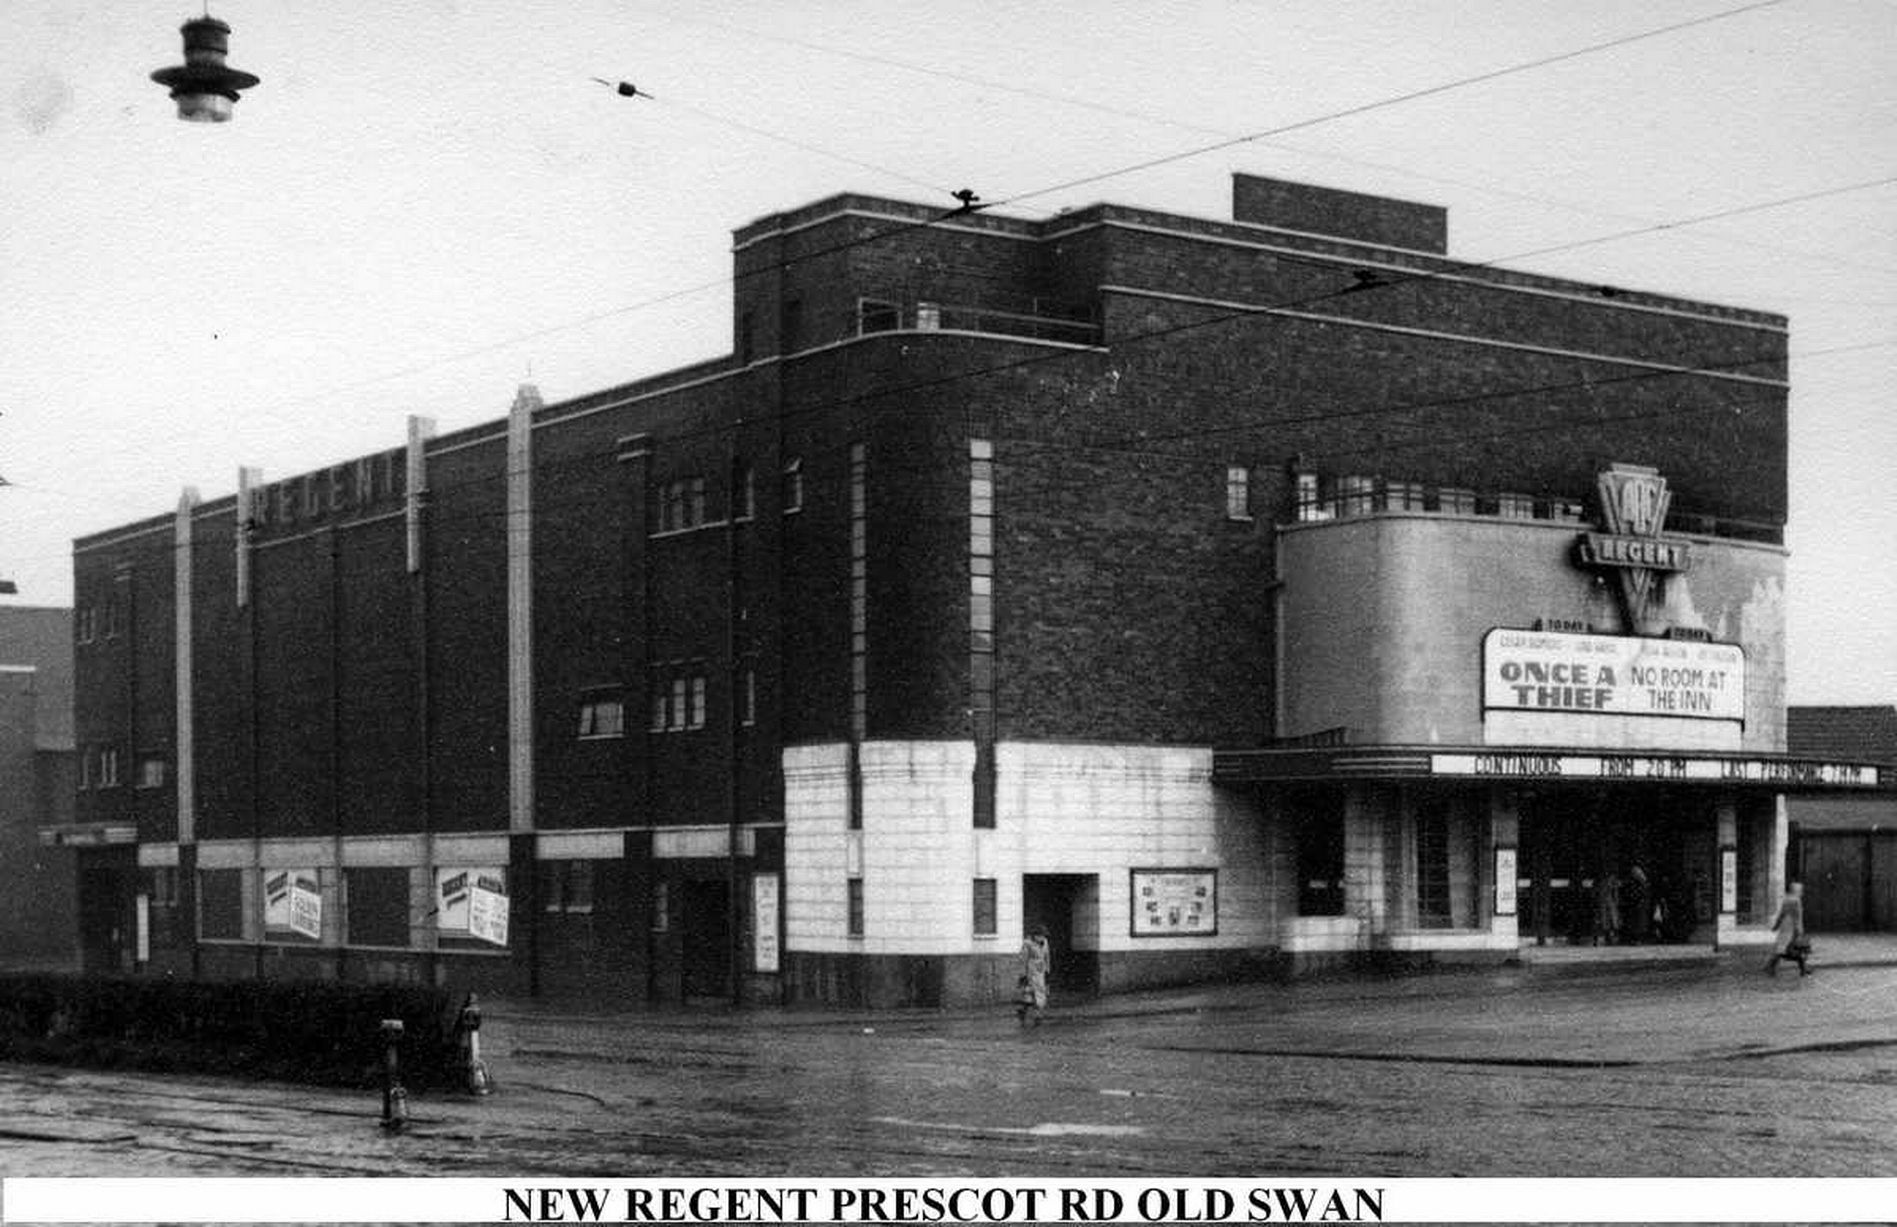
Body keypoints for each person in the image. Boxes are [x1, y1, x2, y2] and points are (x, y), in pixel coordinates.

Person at [1765, 881, 1810, 977]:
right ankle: (1803, 968)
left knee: (1782, 948)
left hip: (1785, 925)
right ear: (1796, 890)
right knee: (1796, 949)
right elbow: (1798, 917)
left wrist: (1776, 926)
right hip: (1792, 927)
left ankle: (1771, 966)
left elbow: (1781, 914)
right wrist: (1799, 930)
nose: (1802, 892)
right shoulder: (1796, 900)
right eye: (1800, 890)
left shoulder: (1786, 899)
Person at [1016, 924, 1051, 1026]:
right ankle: (1023, 1012)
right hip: (1030, 974)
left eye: (1044, 936)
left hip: (1040, 974)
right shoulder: (1027, 943)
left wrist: (1047, 971)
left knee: (1040, 997)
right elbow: (1023, 960)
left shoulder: (1045, 943)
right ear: (1035, 935)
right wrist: (1023, 975)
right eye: (1040, 935)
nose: (1042, 938)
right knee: (1028, 998)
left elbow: (1047, 957)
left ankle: (1037, 1017)